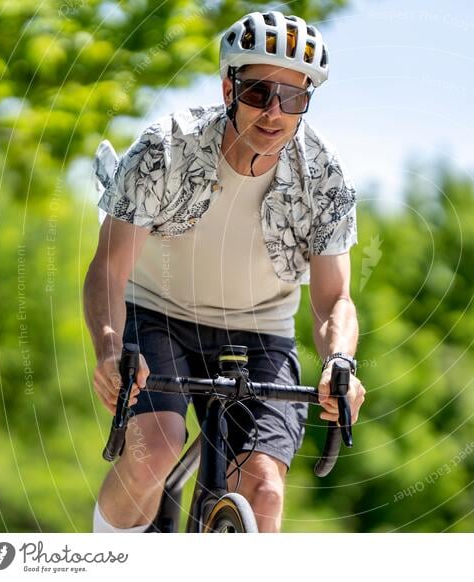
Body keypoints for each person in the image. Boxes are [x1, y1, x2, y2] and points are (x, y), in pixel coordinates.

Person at [84, 11, 365, 533]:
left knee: (264, 491)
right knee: (156, 449)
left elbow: (335, 303)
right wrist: (107, 345)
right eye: (259, 93)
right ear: (228, 87)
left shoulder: (323, 177)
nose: (275, 112)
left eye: (294, 98)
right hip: (157, 315)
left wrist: (340, 362)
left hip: (261, 335)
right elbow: (109, 267)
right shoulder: (165, 149)